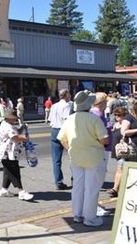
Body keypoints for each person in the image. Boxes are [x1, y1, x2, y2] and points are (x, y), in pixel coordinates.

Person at [57, 90, 108, 227]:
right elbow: (104, 139)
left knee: (78, 187)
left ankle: (77, 214)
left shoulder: (70, 119)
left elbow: (61, 139)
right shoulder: (94, 119)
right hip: (93, 157)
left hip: (76, 157)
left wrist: (71, 149)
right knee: (91, 188)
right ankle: (90, 218)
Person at [0, 111, 34, 201]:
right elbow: (15, 137)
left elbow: (16, 132)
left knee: (8, 172)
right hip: (7, 154)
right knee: (14, 172)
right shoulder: (7, 126)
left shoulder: (7, 124)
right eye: (14, 118)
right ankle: (21, 192)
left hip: (9, 153)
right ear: (9, 118)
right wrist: (25, 139)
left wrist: (22, 128)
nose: (15, 120)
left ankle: (4, 190)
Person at [89, 92, 113, 217]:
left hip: (102, 150)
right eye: (105, 101)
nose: (107, 103)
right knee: (97, 180)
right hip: (100, 150)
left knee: (97, 179)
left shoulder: (98, 114)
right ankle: (94, 207)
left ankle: (94, 204)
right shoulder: (96, 115)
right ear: (100, 103)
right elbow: (97, 135)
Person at [48, 88, 73, 190]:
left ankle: (58, 181)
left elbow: (50, 119)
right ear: (66, 95)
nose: (70, 96)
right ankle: (75, 179)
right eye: (69, 94)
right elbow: (67, 119)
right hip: (64, 130)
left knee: (56, 160)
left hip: (54, 130)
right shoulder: (67, 105)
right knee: (73, 156)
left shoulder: (54, 106)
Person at [107, 107, 131, 197]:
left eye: (119, 115)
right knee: (120, 169)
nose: (117, 116)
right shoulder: (116, 124)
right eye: (115, 115)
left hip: (124, 150)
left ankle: (115, 189)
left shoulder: (127, 124)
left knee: (120, 169)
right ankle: (121, 188)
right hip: (116, 150)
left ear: (125, 115)